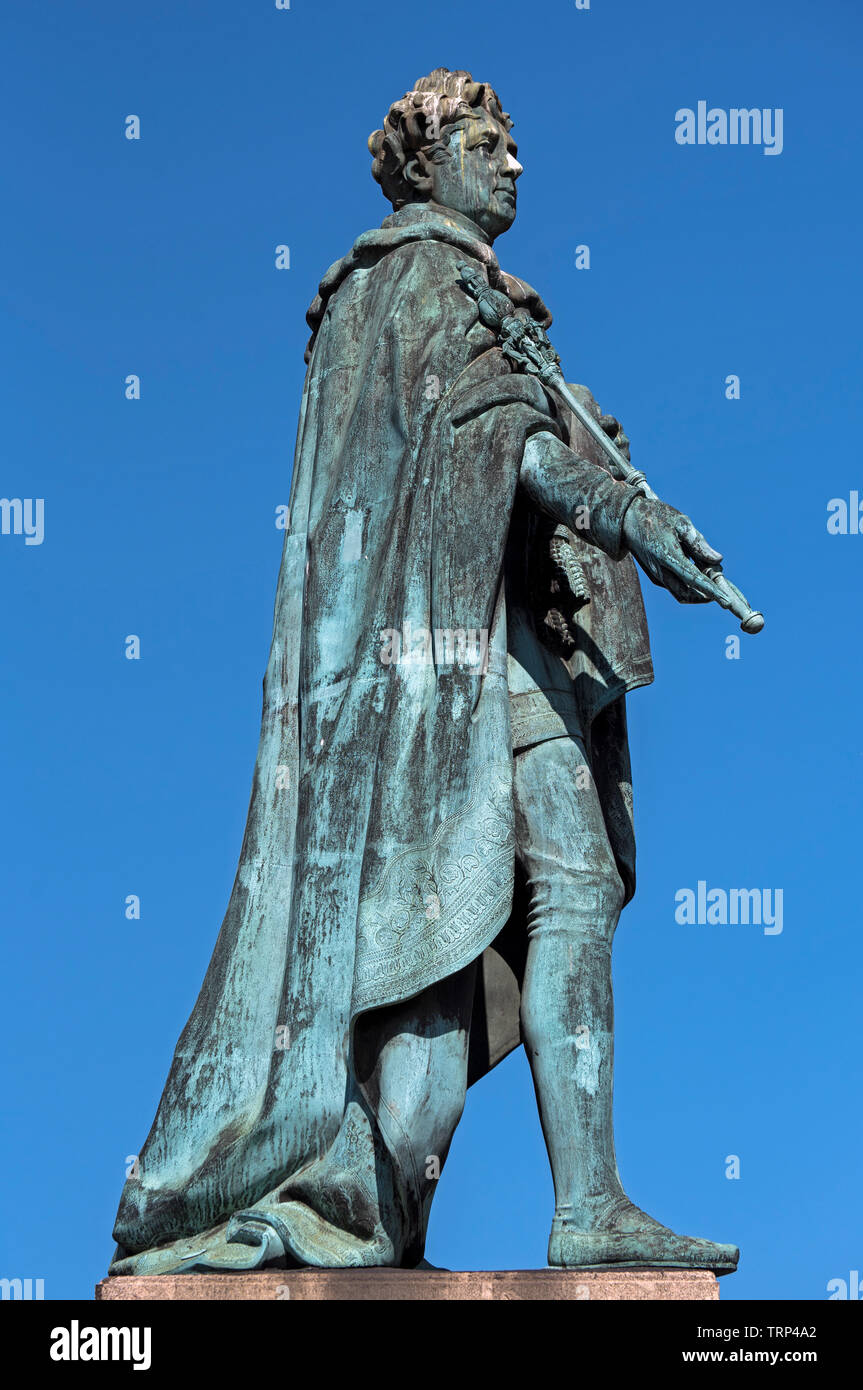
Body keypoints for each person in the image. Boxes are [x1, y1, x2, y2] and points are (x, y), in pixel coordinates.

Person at [110, 69, 737, 1276]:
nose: (514, 165)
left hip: (509, 652)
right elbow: (492, 446)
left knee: (576, 884)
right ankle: (376, 1209)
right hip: (429, 675)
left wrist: (602, 474)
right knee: (436, 999)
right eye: (490, 144)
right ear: (429, 158)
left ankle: (586, 1202)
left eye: (514, 147)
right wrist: (625, 516)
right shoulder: (406, 285)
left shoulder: (483, 300)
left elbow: (519, 442)